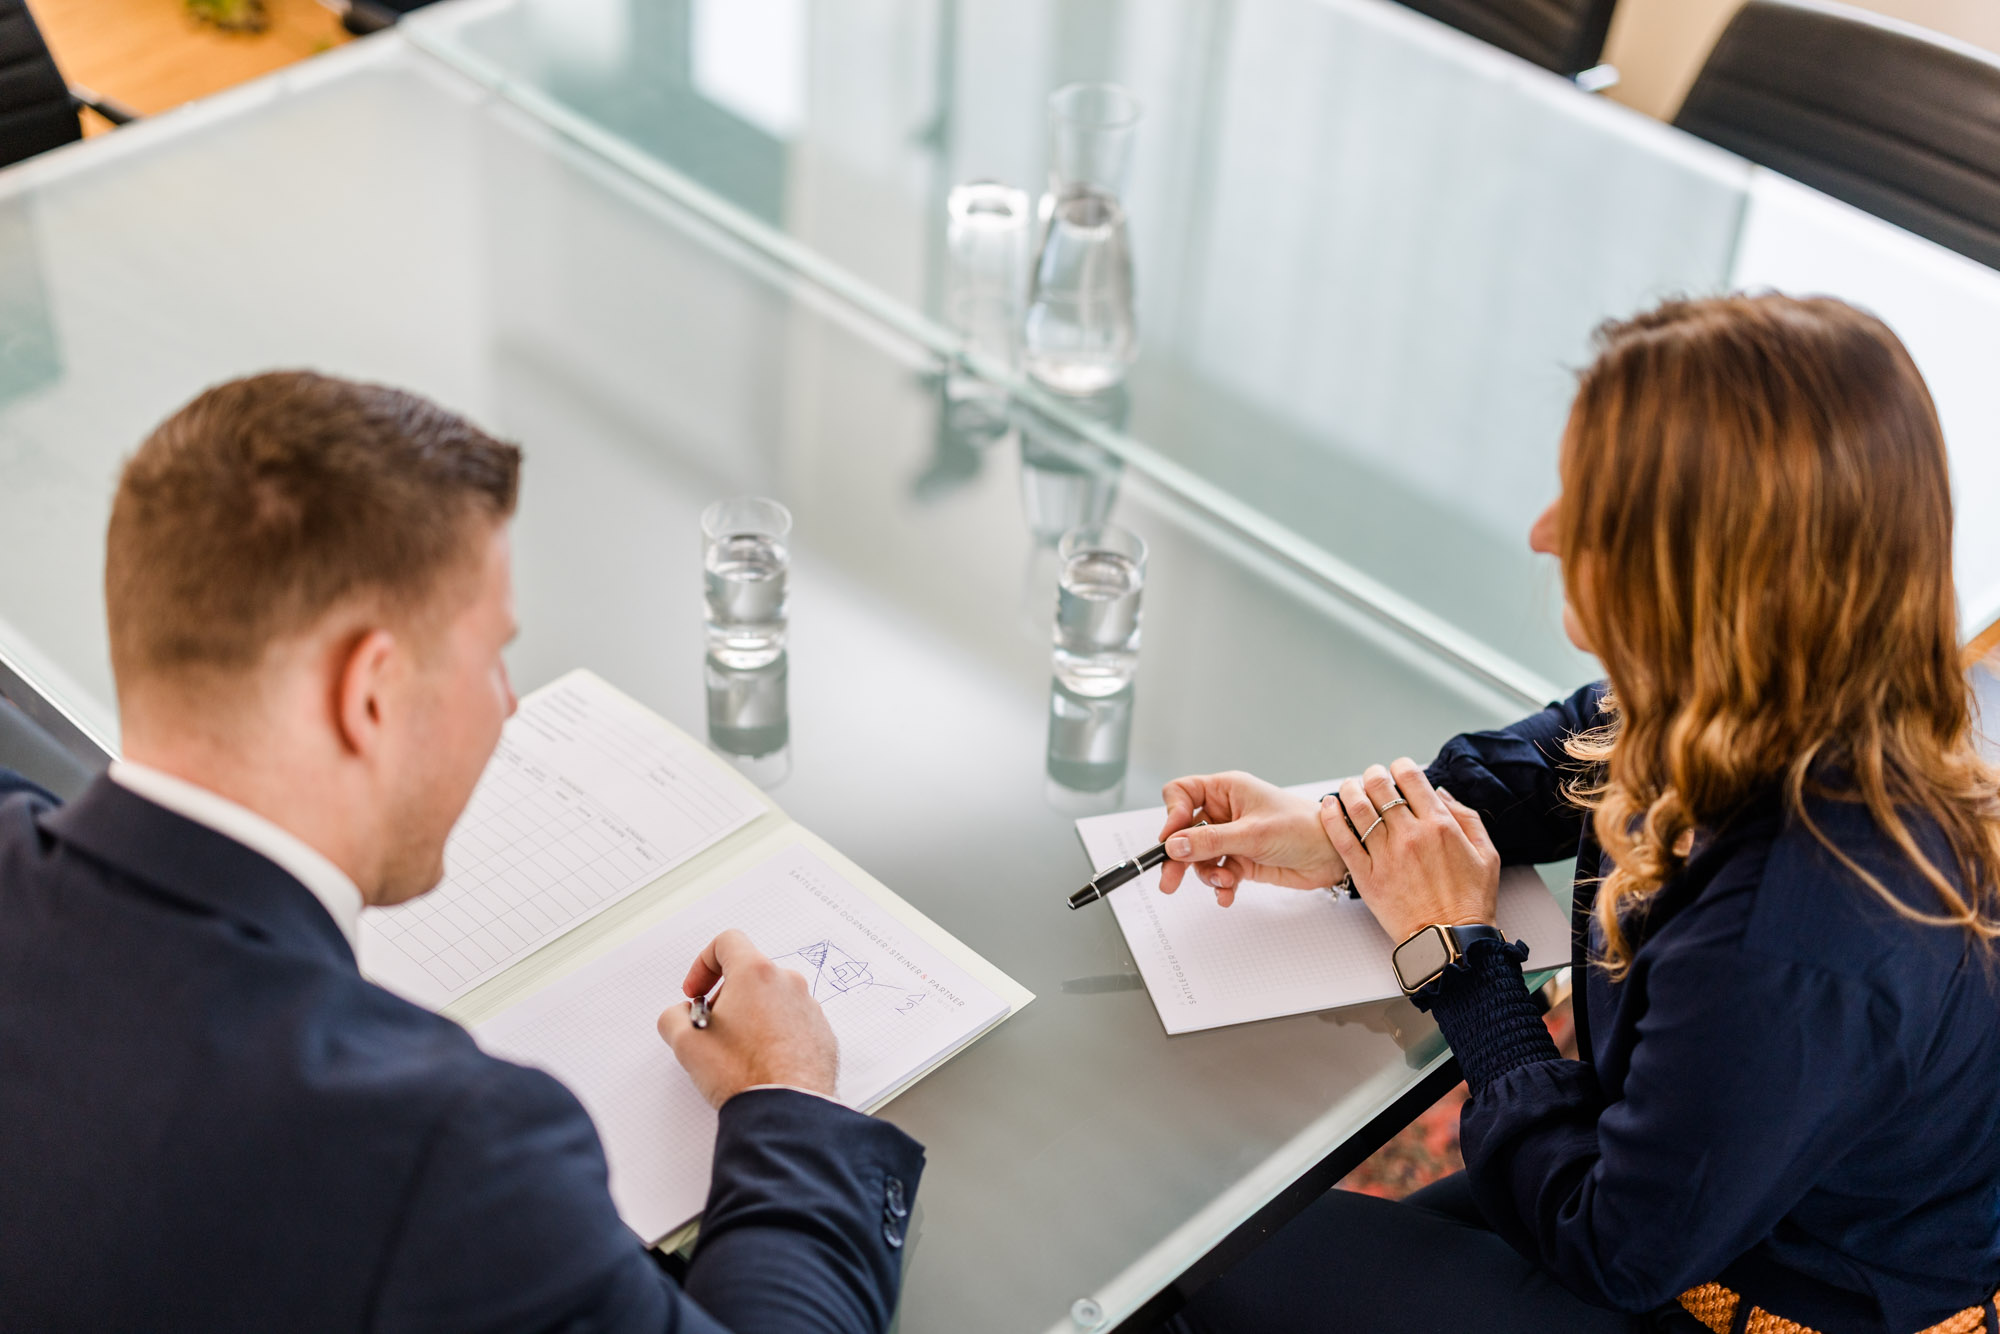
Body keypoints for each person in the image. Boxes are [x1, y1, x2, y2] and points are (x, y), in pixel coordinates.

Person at [0, 372, 922, 1332]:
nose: (510, 703)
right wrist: (787, 1097)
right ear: (371, 694)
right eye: (491, 657)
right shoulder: (446, 1156)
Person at [1153, 295, 2000, 1334]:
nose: (1541, 531)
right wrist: (1346, 825)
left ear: (1694, 568)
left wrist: (1453, 950)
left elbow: (1613, 1243)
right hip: (1674, 1177)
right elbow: (1574, 744)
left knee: (1194, 1276)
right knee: (1263, 1234)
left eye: (1584, 505)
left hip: (1722, 1286)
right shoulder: (1790, 693)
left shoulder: (1798, 928)